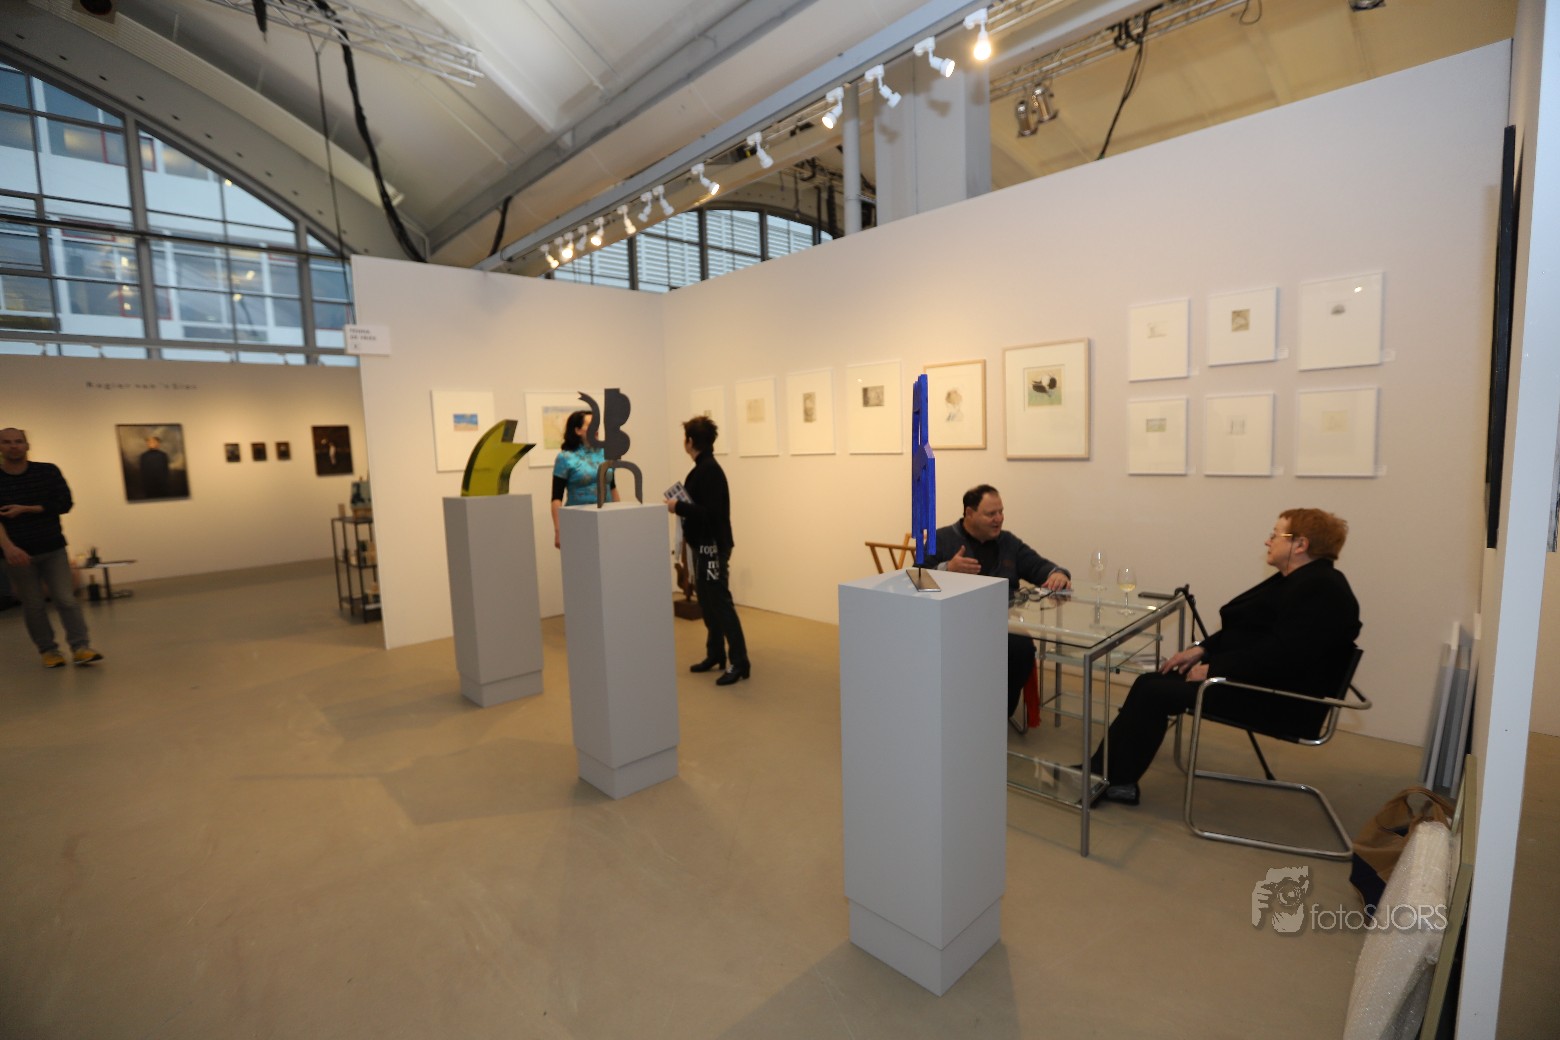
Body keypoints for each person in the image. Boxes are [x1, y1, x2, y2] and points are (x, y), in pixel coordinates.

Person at [1088, 508, 1361, 805]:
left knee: (1154, 692)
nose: (1268, 541)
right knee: (1149, 683)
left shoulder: (1321, 589)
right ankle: (1104, 774)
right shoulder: (1303, 579)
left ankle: (1114, 780)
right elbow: (1248, 631)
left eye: (1275, 535)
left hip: (1278, 699)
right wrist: (1202, 649)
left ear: (1300, 544)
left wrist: (1213, 669)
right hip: (1254, 680)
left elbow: (1282, 655)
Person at [923, 485, 1071, 718]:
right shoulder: (940, 539)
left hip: (1002, 624)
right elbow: (916, 579)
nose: (999, 519)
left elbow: (1040, 566)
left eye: (1001, 512)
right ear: (969, 513)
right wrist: (946, 569)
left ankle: (998, 715)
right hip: (955, 625)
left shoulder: (1008, 542)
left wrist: (1058, 573)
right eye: (991, 514)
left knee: (1021, 649)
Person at [0, 427, 103, 668]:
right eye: (7, 442)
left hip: (52, 547)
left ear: (27, 445)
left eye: (18, 441)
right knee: (34, 605)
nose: (13, 446)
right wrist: (9, 548)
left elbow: (64, 503)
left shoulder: (47, 471)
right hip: (17, 553)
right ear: (0, 447)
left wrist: (27, 509)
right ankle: (49, 651)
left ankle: (81, 647)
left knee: (66, 599)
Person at [665, 416, 749, 686]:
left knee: (720, 603)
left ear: (690, 441)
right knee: (709, 603)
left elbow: (709, 513)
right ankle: (716, 654)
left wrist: (678, 506)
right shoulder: (704, 468)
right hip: (705, 545)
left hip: (712, 547)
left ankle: (740, 661)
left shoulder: (708, 470)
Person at [550, 410, 618, 549]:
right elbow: (556, 497)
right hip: (578, 520)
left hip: (607, 519)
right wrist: (558, 530)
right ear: (578, 430)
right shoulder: (565, 458)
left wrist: (621, 515)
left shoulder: (606, 453)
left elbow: (612, 487)